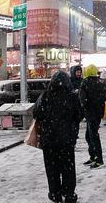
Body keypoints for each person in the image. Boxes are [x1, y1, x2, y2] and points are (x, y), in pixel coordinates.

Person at [34, 71, 82, 203]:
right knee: (68, 167)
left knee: (52, 168)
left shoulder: (45, 96)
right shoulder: (72, 97)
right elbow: (79, 115)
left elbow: (36, 114)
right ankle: (69, 193)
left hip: (49, 140)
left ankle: (55, 193)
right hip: (67, 140)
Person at [80, 64, 106, 169]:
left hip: (90, 113)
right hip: (97, 113)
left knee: (93, 136)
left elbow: (83, 100)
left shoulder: (85, 83)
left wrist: (84, 108)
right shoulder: (99, 83)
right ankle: (93, 157)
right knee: (90, 135)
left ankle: (98, 159)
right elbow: (105, 97)